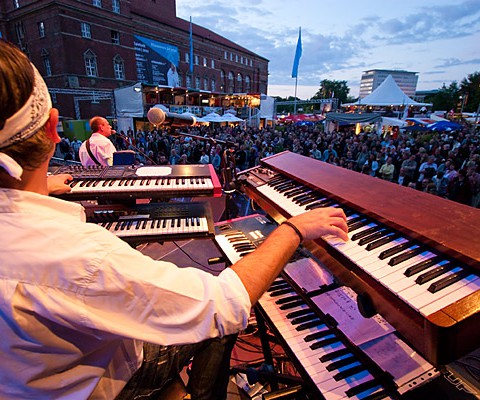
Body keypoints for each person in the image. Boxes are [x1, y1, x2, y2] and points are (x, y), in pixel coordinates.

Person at [0, 40, 348, 399]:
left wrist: (39, 188)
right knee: (218, 323)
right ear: (52, 129)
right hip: (103, 385)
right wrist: (293, 228)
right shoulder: (85, 256)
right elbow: (222, 303)